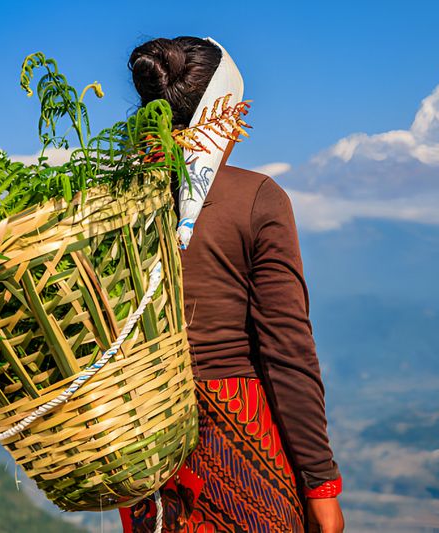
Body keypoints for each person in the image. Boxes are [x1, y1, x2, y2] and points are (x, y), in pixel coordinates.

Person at [118, 36, 345, 533]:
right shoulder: (258, 199)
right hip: (239, 445)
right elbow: (288, 353)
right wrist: (321, 485)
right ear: (225, 112)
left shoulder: (115, 202)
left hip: (148, 449)